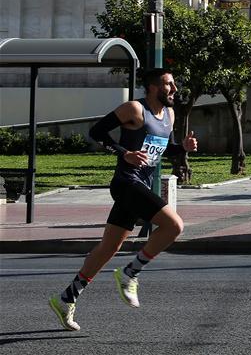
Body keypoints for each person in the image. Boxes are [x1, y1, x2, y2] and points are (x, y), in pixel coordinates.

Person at [49, 69, 197, 331]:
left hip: (140, 184)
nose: (174, 89)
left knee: (107, 249)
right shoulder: (134, 109)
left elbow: (165, 148)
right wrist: (124, 152)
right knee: (174, 225)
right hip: (126, 183)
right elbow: (96, 132)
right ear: (152, 87)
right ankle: (131, 273)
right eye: (168, 84)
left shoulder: (170, 115)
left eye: (174, 84)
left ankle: (65, 299)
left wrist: (182, 148)